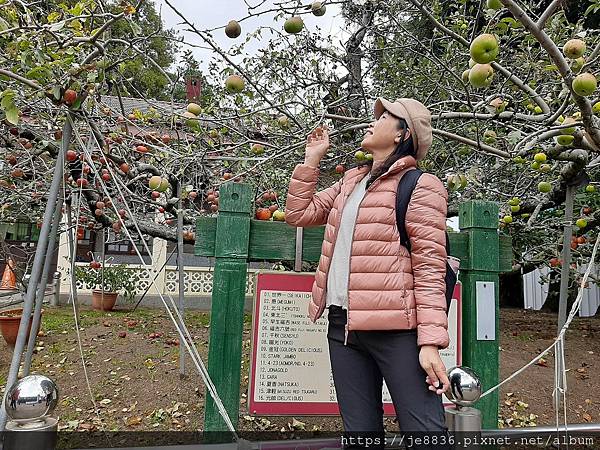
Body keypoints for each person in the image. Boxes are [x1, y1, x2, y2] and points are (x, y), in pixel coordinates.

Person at [285, 98, 452, 449]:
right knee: (360, 436)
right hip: (343, 327)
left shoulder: (421, 186)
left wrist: (430, 342)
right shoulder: (351, 182)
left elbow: (430, 267)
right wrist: (311, 160)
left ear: (402, 134)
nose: (372, 121)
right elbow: (299, 214)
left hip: (398, 332)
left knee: (426, 434)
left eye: (384, 117)